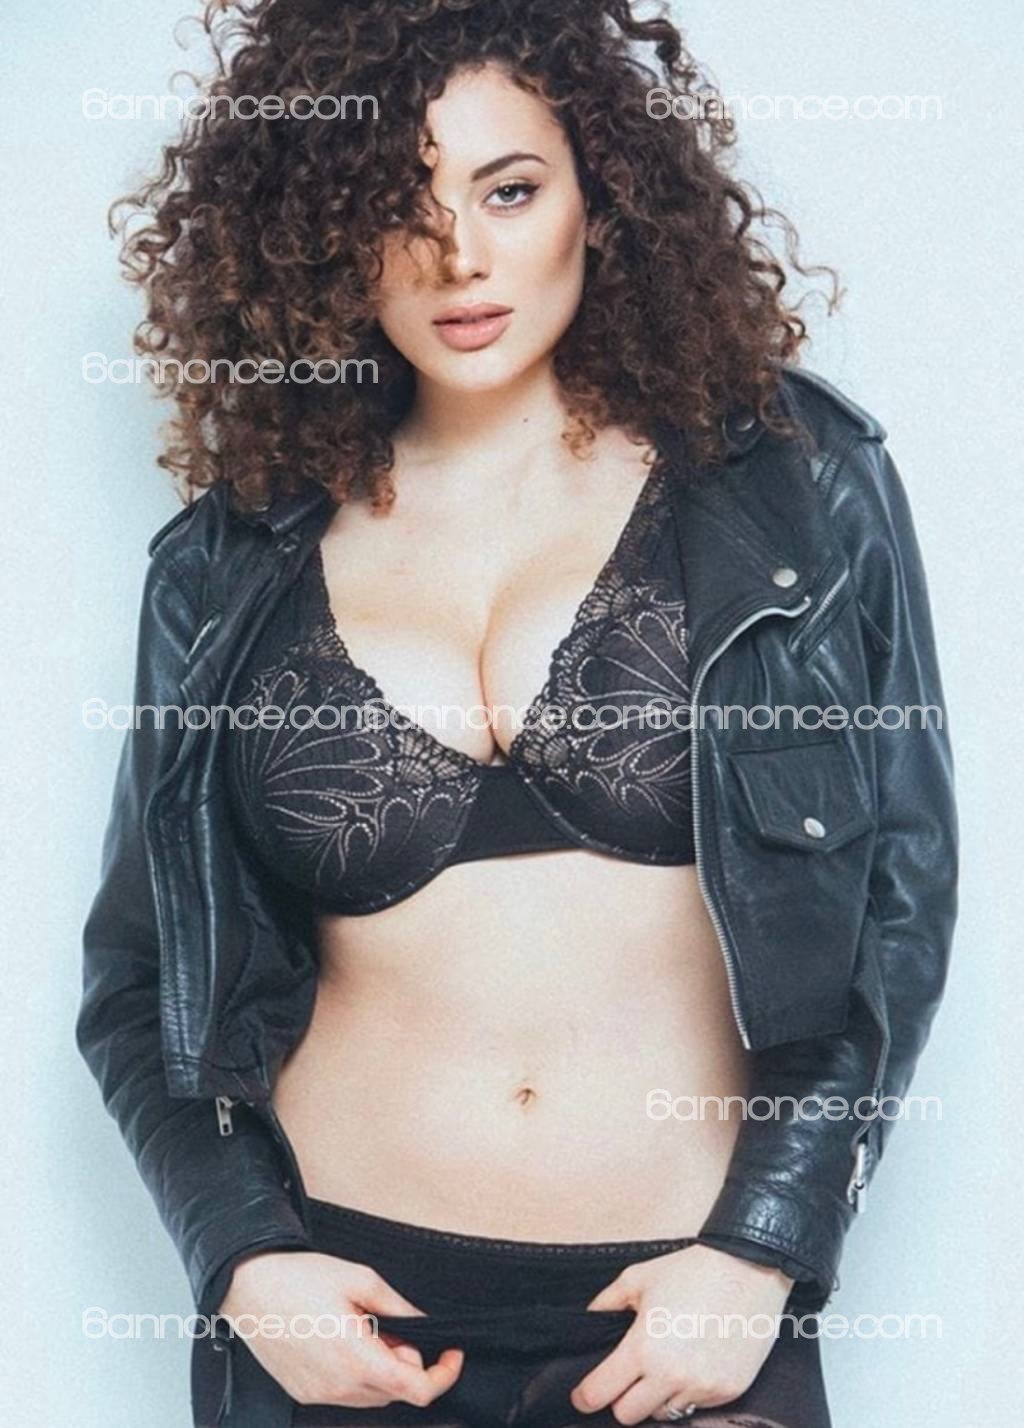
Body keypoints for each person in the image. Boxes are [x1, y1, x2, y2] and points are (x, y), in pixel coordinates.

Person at [76, 3, 958, 1426]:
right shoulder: (224, 566)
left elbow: (901, 897)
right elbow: (139, 971)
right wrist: (241, 1259)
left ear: (600, 199)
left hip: (685, 1326)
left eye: (509, 190)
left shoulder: (791, 483)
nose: (459, 259)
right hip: (345, 1329)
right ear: (318, 235)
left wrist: (766, 1249)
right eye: (396, 208)